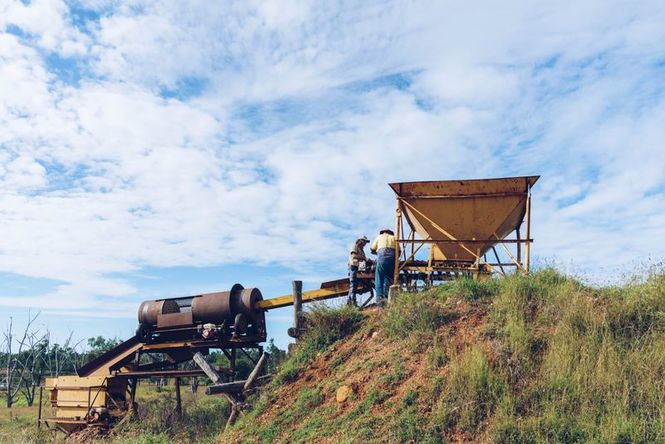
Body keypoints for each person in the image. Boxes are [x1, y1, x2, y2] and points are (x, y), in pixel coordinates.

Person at [370, 228, 397, 307]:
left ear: (383, 232)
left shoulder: (379, 237)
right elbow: (399, 251)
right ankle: (388, 298)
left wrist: (377, 252)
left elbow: (372, 249)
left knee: (379, 278)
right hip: (391, 260)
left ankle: (379, 301)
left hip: (381, 259)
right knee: (388, 279)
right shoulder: (394, 238)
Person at [347, 236, 369, 306]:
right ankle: (353, 304)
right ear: (360, 240)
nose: (365, 243)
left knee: (355, 286)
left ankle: (349, 304)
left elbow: (362, 261)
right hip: (353, 267)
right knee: (353, 286)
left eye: (366, 242)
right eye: (364, 241)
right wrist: (365, 258)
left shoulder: (361, 250)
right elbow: (354, 256)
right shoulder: (354, 246)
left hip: (359, 268)